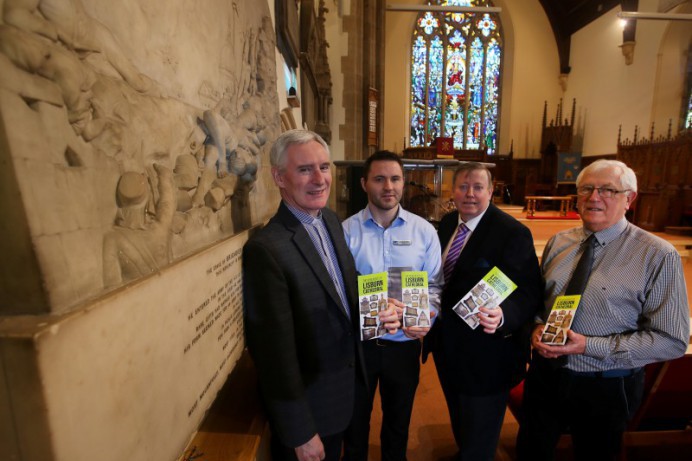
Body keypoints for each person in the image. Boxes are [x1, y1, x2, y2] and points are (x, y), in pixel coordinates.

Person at [516, 159, 690, 461]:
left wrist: (588, 345)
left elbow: (672, 339)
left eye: (608, 190)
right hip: (546, 376)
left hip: (606, 384)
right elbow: (540, 302)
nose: (594, 197)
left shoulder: (657, 254)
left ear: (629, 199)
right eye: (586, 189)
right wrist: (535, 326)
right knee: (531, 452)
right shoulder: (560, 241)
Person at [242, 130, 400, 461]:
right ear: (279, 177)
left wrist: (377, 306)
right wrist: (300, 432)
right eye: (304, 170)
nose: (319, 179)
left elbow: (346, 283)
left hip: (347, 391)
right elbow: (274, 356)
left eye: (324, 167)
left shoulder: (328, 218)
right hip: (312, 411)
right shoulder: (266, 250)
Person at [426, 162, 542, 461]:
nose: (470, 194)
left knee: (481, 427)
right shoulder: (448, 223)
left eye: (478, 187)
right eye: (463, 186)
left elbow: (529, 291)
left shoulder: (512, 233)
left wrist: (502, 315)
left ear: (491, 191)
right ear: (453, 191)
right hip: (447, 345)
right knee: (460, 416)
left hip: (487, 351)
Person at [341, 151, 442, 461]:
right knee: (355, 424)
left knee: (398, 425)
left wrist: (426, 316)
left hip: (404, 345)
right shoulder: (345, 231)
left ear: (403, 183)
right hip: (360, 346)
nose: (388, 186)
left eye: (395, 178)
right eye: (379, 179)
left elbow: (434, 286)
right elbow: (339, 290)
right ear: (364, 183)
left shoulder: (423, 231)